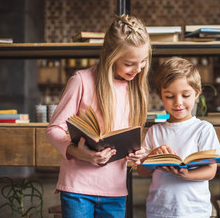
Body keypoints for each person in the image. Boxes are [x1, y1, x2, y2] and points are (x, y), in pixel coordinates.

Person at [46, 14, 151, 218]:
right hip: (77, 188)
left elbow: (129, 137)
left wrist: (139, 153)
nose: (138, 69)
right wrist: (79, 152)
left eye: (144, 61)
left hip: (115, 190)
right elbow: (53, 130)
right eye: (130, 63)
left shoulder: (135, 89)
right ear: (109, 55)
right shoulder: (81, 81)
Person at [137, 57, 220, 218]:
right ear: (161, 96)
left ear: (196, 93)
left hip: (194, 210)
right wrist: (151, 156)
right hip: (159, 209)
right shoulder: (154, 131)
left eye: (185, 95)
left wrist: (186, 175)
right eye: (170, 96)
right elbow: (141, 171)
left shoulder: (203, 129)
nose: (178, 103)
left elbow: (211, 170)